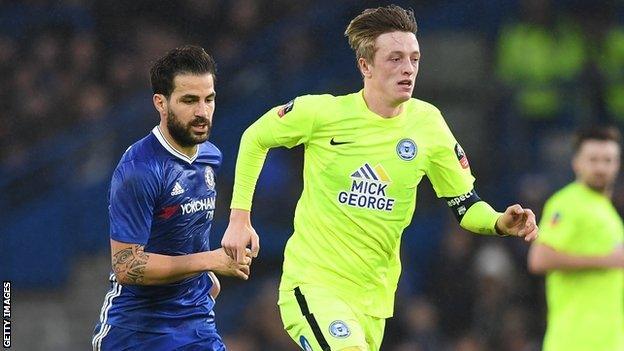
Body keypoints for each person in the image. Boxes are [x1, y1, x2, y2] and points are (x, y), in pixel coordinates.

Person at [222, 5, 538, 351]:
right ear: (365, 66)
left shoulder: (428, 124)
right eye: (395, 58)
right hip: (315, 285)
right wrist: (240, 218)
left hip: (374, 301)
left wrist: (498, 222)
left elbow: (465, 206)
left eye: (414, 59)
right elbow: (256, 137)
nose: (408, 69)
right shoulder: (324, 114)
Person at [91, 45, 253, 351]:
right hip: (137, 332)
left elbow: (187, 233)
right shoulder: (139, 169)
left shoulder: (210, 156)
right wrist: (210, 261)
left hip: (195, 324)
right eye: (189, 100)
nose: (202, 112)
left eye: (209, 99)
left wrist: (204, 279)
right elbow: (127, 266)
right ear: (161, 103)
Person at [528, 126, 624, 351]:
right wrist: (607, 260)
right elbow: (539, 258)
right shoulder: (567, 203)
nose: (601, 167)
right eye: (593, 159)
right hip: (574, 341)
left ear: (617, 165)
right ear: (576, 163)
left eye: (608, 160)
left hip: (608, 341)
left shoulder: (607, 212)